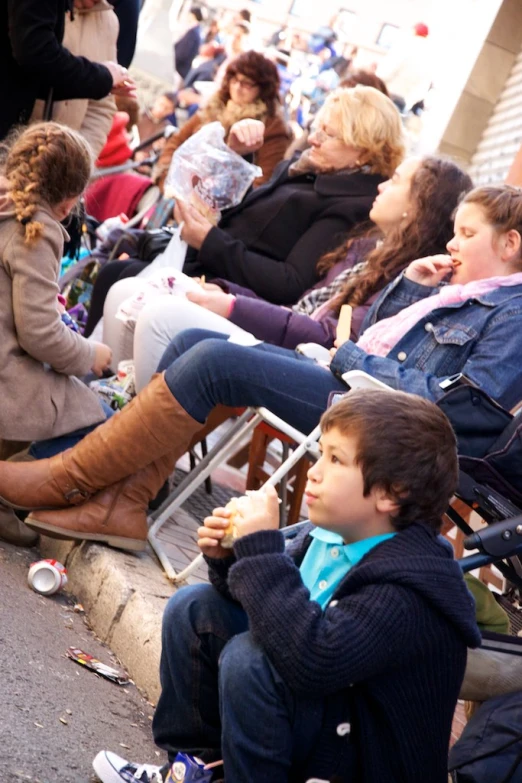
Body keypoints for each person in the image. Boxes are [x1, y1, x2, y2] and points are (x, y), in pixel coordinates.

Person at [5, 185, 522, 552]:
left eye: (466, 234)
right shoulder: (465, 294)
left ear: (509, 244)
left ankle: (66, 480)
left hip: (379, 418)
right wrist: (411, 285)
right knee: (192, 339)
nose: (451, 245)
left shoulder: (513, 312)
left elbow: (458, 408)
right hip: (356, 387)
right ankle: (122, 502)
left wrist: (349, 357)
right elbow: (376, 340)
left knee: (215, 361)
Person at [92, 390, 481, 783]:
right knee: (196, 611)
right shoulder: (330, 536)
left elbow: (313, 659)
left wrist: (261, 554)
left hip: (364, 761)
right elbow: (275, 612)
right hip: (326, 721)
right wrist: (231, 560)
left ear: (391, 493)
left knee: (251, 662)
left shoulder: (409, 589)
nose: (314, 470)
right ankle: (195, 771)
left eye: (335, 460)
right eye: (321, 453)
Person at [101, 156, 472, 390]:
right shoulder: (366, 248)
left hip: (307, 361)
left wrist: (231, 305)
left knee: (159, 314)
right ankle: (114, 406)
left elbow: (329, 335)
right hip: (286, 338)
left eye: (394, 181)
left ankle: (136, 439)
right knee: (131, 289)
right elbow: (301, 308)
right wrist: (222, 290)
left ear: (416, 206)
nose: (381, 185)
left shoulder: (411, 278)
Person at [83, 84, 402, 335]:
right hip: (209, 267)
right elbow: (254, 216)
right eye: (318, 128)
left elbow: (290, 282)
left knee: (120, 277)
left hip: (232, 293)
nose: (313, 139)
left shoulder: (352, 205)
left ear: (363, 151)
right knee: (118, 266)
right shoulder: (311, 168)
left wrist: (208, 241)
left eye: (328, 134)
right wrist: (239, 153)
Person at [0, 122, 113, 546]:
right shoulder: (38, 229)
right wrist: (90, 355)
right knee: (99, 423)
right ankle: (7, 492)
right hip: (7, 373)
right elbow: (39, 335)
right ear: (69, 202)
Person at [154, 49, 292, 190]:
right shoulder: (215, 107)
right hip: (177, 191)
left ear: (262, 89)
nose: (238, 87)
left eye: (247, 83)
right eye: (235, 80)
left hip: (221, 206)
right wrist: (167, 179)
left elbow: (262, 183)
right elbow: (177, 142)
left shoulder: (271, 127)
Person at [0, 0, 136, 140]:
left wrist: (76, 155)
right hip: (17, 134)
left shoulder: (109, 22)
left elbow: (100, 109)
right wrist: (104, 78)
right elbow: (37, 53)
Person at [30, 0, 119, 160]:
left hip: (56, 167)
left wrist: (76, 163)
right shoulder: (43, 7)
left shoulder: (109, 22)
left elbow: (100, 108)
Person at [377, 22, 432, 113]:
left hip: (387, 94)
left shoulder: (406, 46)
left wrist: (376, 80)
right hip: (403, 101)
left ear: (414, 32)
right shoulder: (429, 56)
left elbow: (387, 71)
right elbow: (423, 87)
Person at [173, 5, 203, 80]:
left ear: (193, 15)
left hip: (180, 68)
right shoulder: (195, 30)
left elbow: (183, 52)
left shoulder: (194, 32)